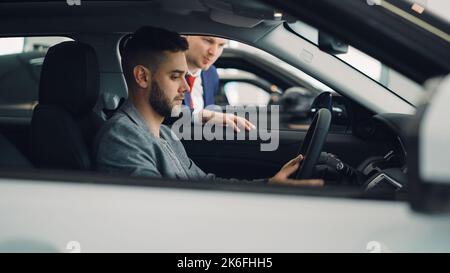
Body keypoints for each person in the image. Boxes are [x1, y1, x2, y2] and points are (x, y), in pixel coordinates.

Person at [94, 26, 323, 187]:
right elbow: (160, 210)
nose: (185, 87)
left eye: (185, 76)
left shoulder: (165, 134)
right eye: (175, 76)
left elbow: (204, 183)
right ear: (142, 77)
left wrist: (269, 185)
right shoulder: (121, 137)